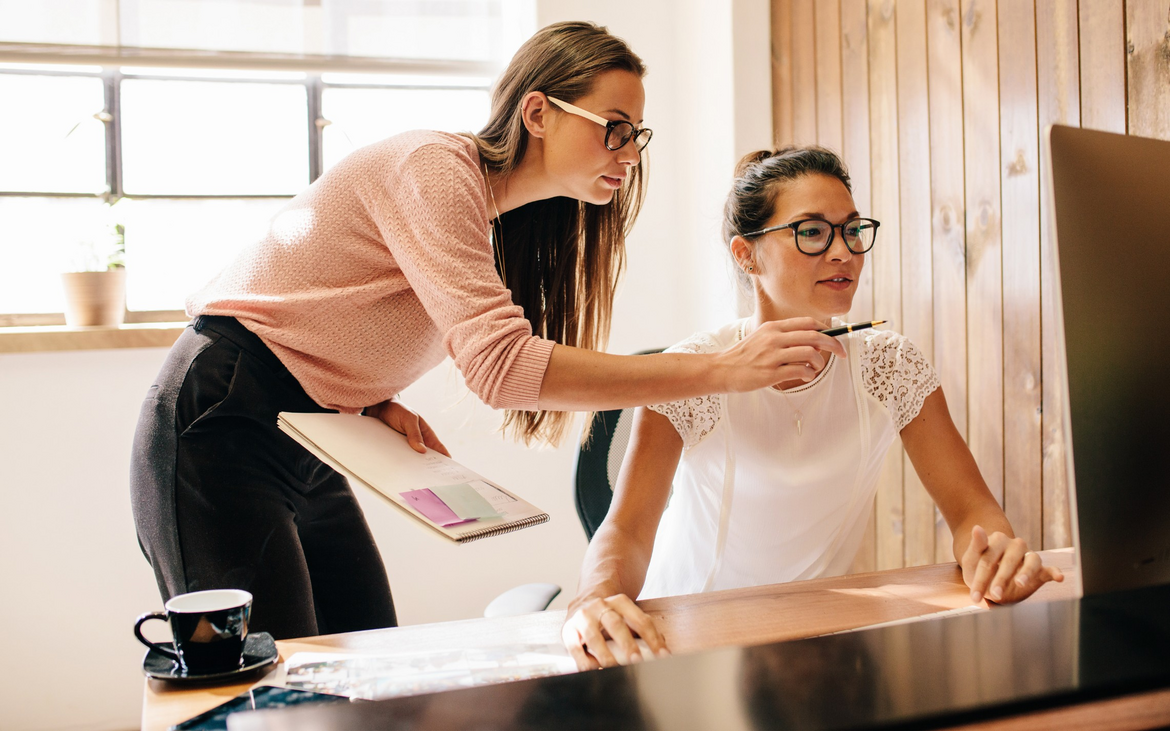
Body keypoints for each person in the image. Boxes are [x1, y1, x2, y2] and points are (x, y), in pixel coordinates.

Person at [130, 23, 847, 640]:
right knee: (264, 690)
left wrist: (366, 394)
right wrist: (723, 368)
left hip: (311, 430)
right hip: (219, 422)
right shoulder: (436, 169)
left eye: (638, 133)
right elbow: (503, 370)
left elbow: (335, 305)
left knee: (368, 664)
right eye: (615, 127)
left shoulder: (497, 218)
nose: (630, 151)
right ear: (538, 112)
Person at [562, 147, 1064, 670]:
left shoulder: (890, 367)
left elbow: (972, 511)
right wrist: (593, 596)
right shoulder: (692, 370)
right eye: (812, 232)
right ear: (746, 254)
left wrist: (995, 555)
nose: (843, 252)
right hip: (684, 634)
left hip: (813, 637)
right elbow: (626, 530)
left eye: (851, 230)